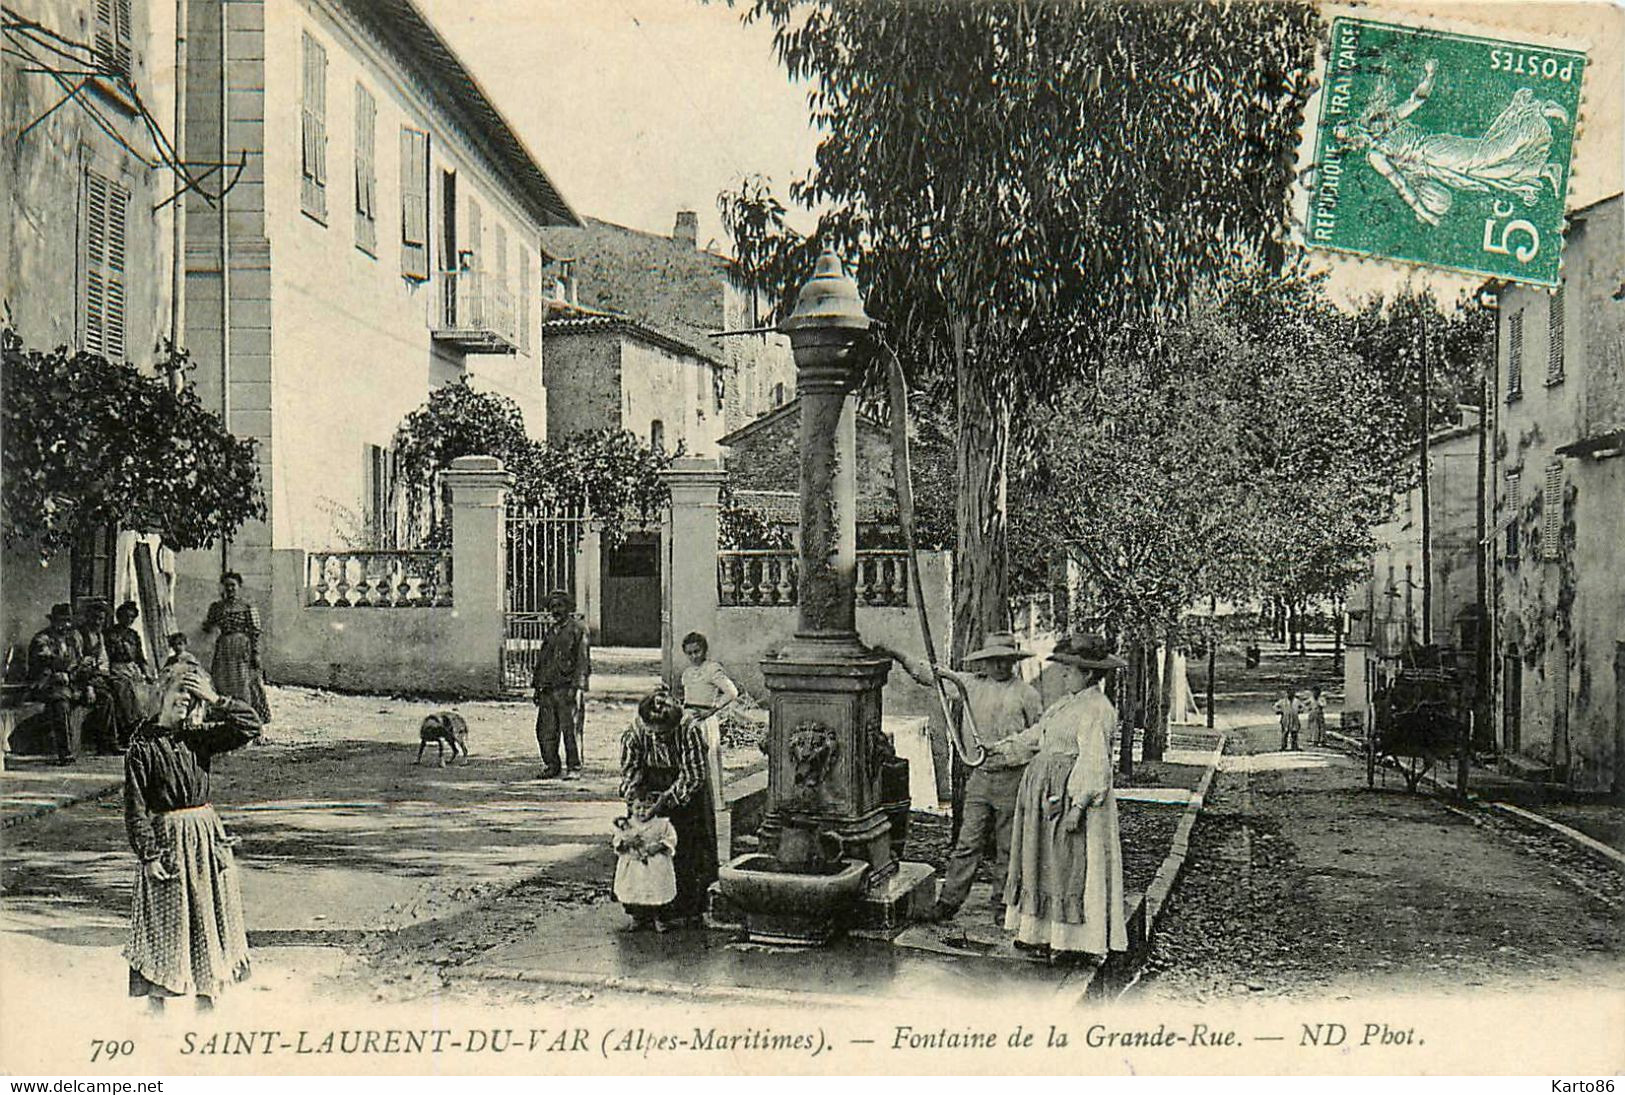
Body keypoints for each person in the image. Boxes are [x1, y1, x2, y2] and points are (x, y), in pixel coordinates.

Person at [875, 632, 1043, 925]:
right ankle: (949, 902)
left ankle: (1004, 904)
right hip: (980, 776)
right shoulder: (969, 685)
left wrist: (1011, 752)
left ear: (1014, 662)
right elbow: (929, 674)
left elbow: (1039, 735)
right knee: (968, 842)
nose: (1001, 666)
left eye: (1006, 661)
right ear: (986, 663)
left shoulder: (1026, 694)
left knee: (1008, 845)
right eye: (995, 661)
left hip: (1013, 777)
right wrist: (895, 651)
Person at [123, 662, 262, 1011]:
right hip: (166, 841)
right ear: (162, 694)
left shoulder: (198, 738)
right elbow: (136, 808)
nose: (185, 700)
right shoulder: (142, 746)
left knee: (207, 915)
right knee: (165, 921)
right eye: (180, 691)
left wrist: (215, 699)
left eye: (192, 694)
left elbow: (250, 725)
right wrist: (149, 855)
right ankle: (157, 1008)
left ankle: (207, 1000)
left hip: (204, 838)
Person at [1001, 633, 1128, 963]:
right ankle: (1038, 933)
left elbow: (1094, 761)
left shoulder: (1097, 709)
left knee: (1068, 864)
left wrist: (1077, 806)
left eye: (1070, 670)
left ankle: (1074, 941)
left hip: (1068, 796)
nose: (1063, 675)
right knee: (1043, 861)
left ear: (1088, 674)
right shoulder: (1067, 703)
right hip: (1045, 792)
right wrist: (1004, 748)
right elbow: (1039, 734)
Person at [619, 689, 716, 927]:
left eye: (664, 734)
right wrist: (635, 800)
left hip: (684, 789)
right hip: (649, 785)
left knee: (687, 847)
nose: (659, 738)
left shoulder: (689, 729)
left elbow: (694, 775)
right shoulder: (635, 733)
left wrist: (668, 800)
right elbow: (630, 770)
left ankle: (689, 911)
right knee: (644, 848)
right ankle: (643, 910)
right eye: (654, 732)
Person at [678, 631, 738, 821]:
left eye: (697, 651)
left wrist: (713, 709)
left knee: (708, 758)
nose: (694, 656)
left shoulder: (712, 669)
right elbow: (687, 697)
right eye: (690, 653)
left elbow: (731, 692)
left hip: (705, 719)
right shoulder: (687, 673)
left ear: (704, 650)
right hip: (689, 719)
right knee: (689, 760)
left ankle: (714, 802)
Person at [532, 590, 589, 779]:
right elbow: (542, 660)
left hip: (567, 688)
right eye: (553, 606)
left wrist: (578, 687)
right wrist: (537, 686)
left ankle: (574, 767)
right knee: (545, 730)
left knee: (570, 729)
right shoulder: (551, 631)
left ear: (568, 607)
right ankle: (551, 765)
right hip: (547, 688)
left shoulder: (577, 629)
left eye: (560, 606)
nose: (556, 610)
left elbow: (583, 661)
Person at [202, 572, 270, 723]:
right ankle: (226, 715)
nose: (230, 589)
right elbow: (208, 625)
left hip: (242, 646)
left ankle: (249, 716)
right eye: (227, 586)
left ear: (239, 587)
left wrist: (256, 653)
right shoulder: (217, 607)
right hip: (224, 646)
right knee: (221, 680)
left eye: (233, 585)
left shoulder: (247, 606)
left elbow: (255, 631)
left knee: (243, 681)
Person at [26, 603, 90, 764]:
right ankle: (65, 751)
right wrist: (64, 669)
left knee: (103, 697)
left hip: (69, 683)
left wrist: (87, 684)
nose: (66, 625)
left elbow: (81, 663)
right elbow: (46, 660)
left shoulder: (73, 639)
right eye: (62, 621)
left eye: (68, 621)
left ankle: (104, 745)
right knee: (61, 702)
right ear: (53, 621)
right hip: (44, 684)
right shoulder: (42, 639)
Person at [612, 795, 679, 932]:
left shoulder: (662, 824)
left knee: (657, 890)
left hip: (656, 864)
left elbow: (671, 839)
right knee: (634, 890)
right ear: (631, 808)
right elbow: (617, 841)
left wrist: (660, 846)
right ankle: (637, 918)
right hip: (633, 865)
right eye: (638, 808)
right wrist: (625, 842)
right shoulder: (628, 825)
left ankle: (659, 919)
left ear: (655, 807)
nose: (642, 812)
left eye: (647, 808)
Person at [104, 601, 156, 751]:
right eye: (126, 616)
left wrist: (147, 673)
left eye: (132, 617)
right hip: (115, 667)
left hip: (132, 668)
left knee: (145, 691)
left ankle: (142, 731)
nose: (129, 620)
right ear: (119, 616)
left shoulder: (134, 635)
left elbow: (140, 657)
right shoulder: (109, 633)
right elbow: (106, 656)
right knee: (126, 689)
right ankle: (128, 733)